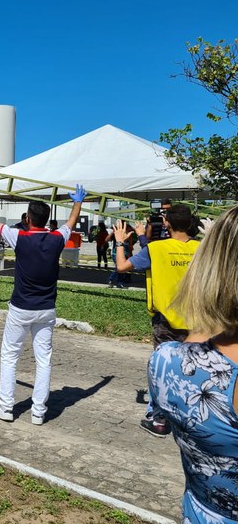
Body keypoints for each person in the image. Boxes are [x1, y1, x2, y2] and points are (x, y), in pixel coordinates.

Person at [0, 185, 85, 425]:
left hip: (21, 308)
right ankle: (38, 412)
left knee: (10, 356)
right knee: (43, 359)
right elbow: (72, 223)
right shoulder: (57, 238)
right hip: (47, 309)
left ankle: (6, 407)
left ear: (28, 218)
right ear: (46, 220)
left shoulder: (19, 236)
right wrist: (78, 203)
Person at [147, 204, 238, 523]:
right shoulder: (197, 246)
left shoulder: (167, 362)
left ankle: (156, 417)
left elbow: (124, 264)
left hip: (184, 331)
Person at [114, 204, 200, 437]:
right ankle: (193, 417)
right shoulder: (202, 249)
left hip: (166, 321)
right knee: (193, 369)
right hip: (198, 319)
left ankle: (160, 419)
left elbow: (122, 267)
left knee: (163, 369)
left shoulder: (156, 249)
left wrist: (121, 242)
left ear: (167, 224)